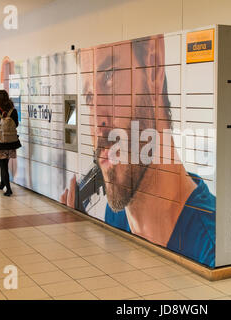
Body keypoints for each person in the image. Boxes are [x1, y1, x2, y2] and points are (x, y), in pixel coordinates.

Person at [61, 36, 216, 267]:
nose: (97, 121)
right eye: (90, 97)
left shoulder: (211, 249)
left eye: (109, 76)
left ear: (153, 65)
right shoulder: (116, 214)